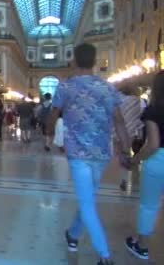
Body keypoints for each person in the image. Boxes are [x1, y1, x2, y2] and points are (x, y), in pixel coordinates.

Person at [47, 43, 130, 265]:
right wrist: (127, 148)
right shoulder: (108, 88)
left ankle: (104, 256)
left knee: (87, 203)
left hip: (78, 155)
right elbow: (120, 121)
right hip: (102, 153)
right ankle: (73, 235)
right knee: (88, 200)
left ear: (74, 60)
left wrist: (49, 136)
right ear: (95, 62)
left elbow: (54, 116)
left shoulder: (65, 87)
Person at [124, 71, 164, 261]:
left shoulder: (154, 110)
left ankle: (142, 246)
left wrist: (135, 159)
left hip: (158, 162)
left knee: (149, 206)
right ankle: (138, 238)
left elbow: (153, 144)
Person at [116, 86, 145, 192]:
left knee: (119, 153)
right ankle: (126, 173)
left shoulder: (118, 99)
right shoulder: (137, 101)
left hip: (117, 130)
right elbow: (140, 115)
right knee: (126, 151)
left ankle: (123, 176)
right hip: (131, 130)